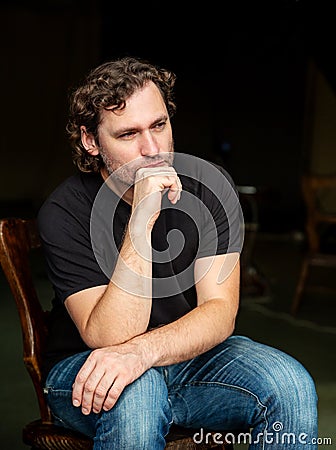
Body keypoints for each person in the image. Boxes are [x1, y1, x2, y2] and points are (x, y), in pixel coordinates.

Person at [38, 56, 318, 449]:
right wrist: (142, 219)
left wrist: (144, 353)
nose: (152, 148)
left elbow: (220, 313)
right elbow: (111, 336)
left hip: (185, 356)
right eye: (128, 134)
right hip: (86, 369)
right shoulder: (65, 210)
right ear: (91, 141)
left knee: (289, 384)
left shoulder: (209, 187)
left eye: (159, 125)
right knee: (137, 394)